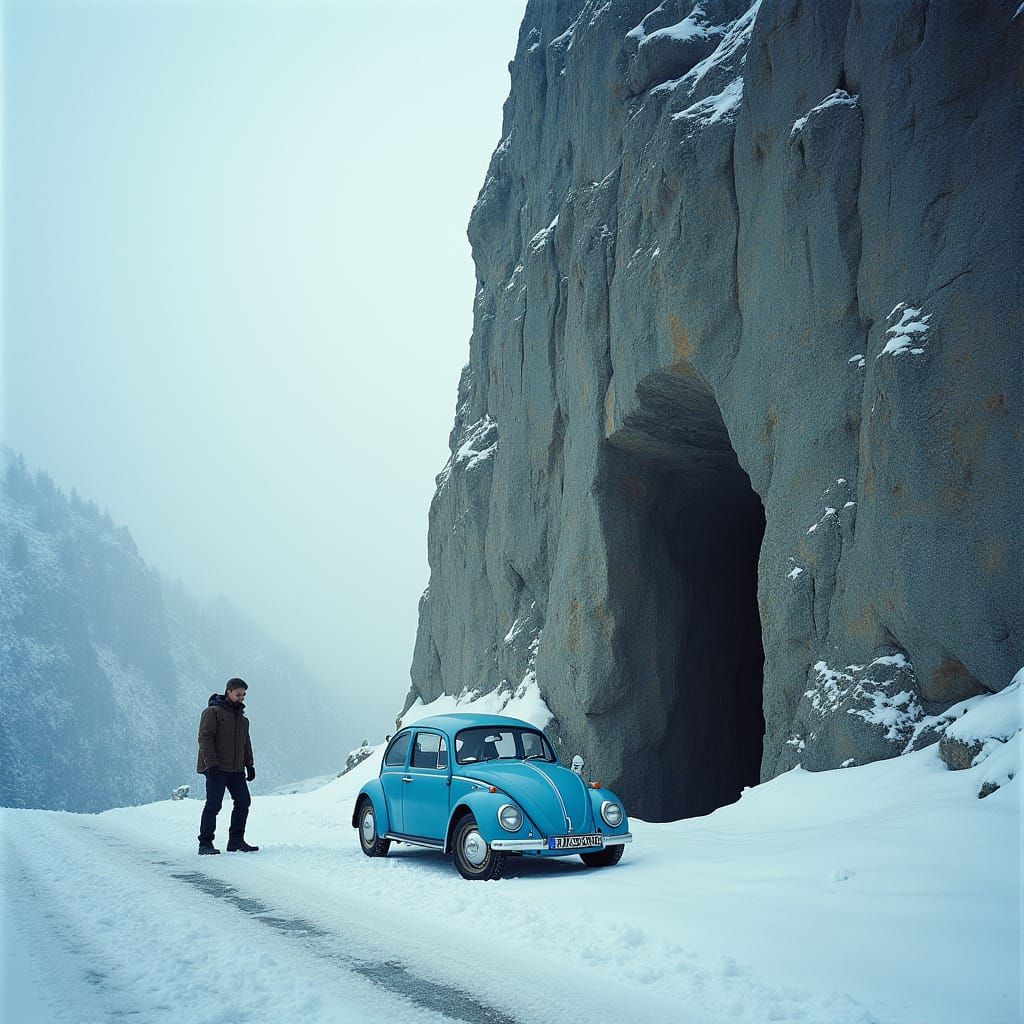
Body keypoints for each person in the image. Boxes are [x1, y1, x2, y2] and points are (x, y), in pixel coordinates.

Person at [196, 677, 258, 854]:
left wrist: (250, 765)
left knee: (243, 801)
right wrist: (211, 765)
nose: (241, 698)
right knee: (214, 805)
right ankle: (205, 844)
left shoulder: (243, 719)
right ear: (228, 692)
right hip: (216, 768)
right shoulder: (213, 712)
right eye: (238, 694)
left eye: (244, 695)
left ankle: (236, 841)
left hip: (236, 769)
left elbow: (246, 743)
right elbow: (204, 738)